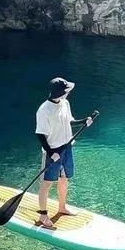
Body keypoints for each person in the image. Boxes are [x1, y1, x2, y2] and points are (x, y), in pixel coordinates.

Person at [35, 77, 93, 229]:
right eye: (66, 91)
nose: (68, 93)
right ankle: (42, 215)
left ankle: (62, 207)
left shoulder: (65, 103)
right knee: (47, 183)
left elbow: (69, 122)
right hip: (53, 151)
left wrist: (83, 121)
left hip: (67, 147)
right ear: (60, 93)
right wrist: (50, 152)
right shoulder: (44, 110)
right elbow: (40, 134)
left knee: (64, 178)